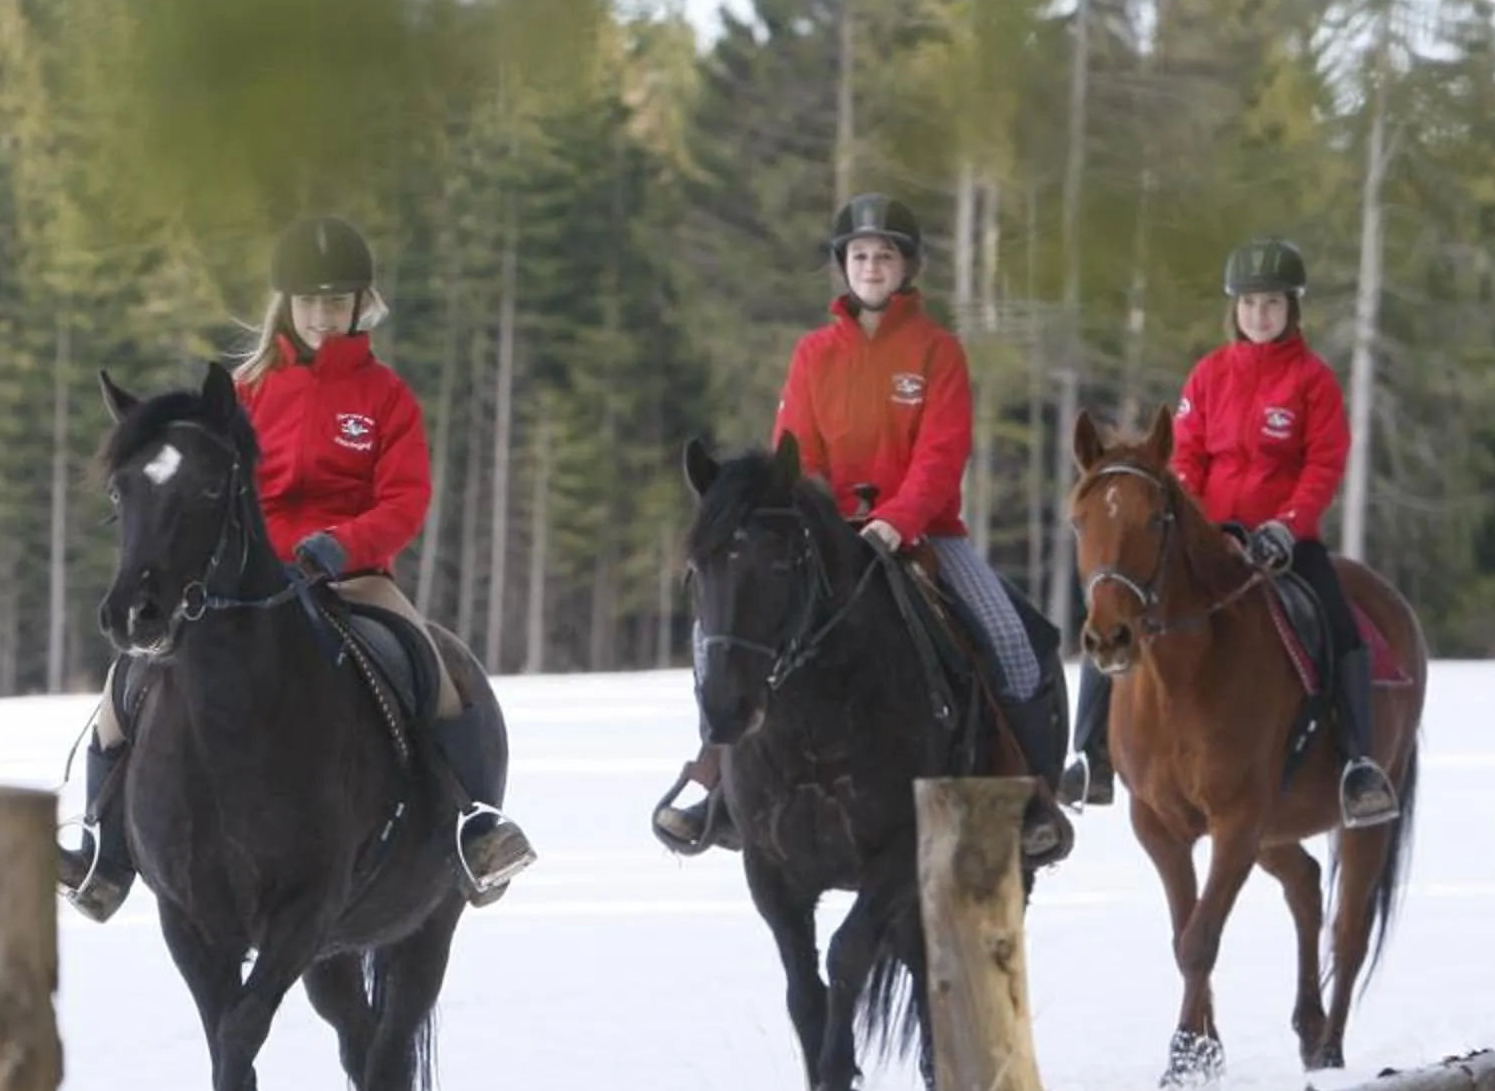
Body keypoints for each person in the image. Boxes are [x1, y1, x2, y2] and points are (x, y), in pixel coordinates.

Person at [57, 215, 536, 921]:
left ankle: (472, 827)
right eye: (309, 301)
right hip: (251, 580)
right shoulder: (247, 395)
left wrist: (342, 546)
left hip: (353, 574)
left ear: (359, 304)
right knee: (124, 683)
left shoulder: (386, 398)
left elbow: (405, 499)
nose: (322, 313)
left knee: (430, 666)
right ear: (287, 305)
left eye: (336, 300)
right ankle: (106, 851)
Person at [654, 193, 1069, 862]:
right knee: (727, 638)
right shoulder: (814, 355)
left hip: (928, 535)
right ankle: (722, 789)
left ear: (907, 268)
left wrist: (895, 521)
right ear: (842, 267)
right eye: (859, 256)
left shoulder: (938, 351)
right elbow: (794, 453)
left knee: (1016, 644)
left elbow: (941, 454)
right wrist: (825, 519)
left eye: (884, 256)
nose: (871, 266)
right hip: (822, 536)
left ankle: (1033, 798)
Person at [1062, 237, 1397, 828]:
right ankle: (1091, 755)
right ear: (1234, 310)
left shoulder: (1313, 381)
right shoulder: (1210, 374)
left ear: (1292, 308)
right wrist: (1205, 527)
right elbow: (1185, 458)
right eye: (1249, 304)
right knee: (1114, 611)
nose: (1260, 315)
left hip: (1286, 544)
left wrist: (1285, 528)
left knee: (1341, 626)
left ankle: (1358, 765)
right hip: (1211, 538)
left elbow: (1323, 465)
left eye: (1271, 304)